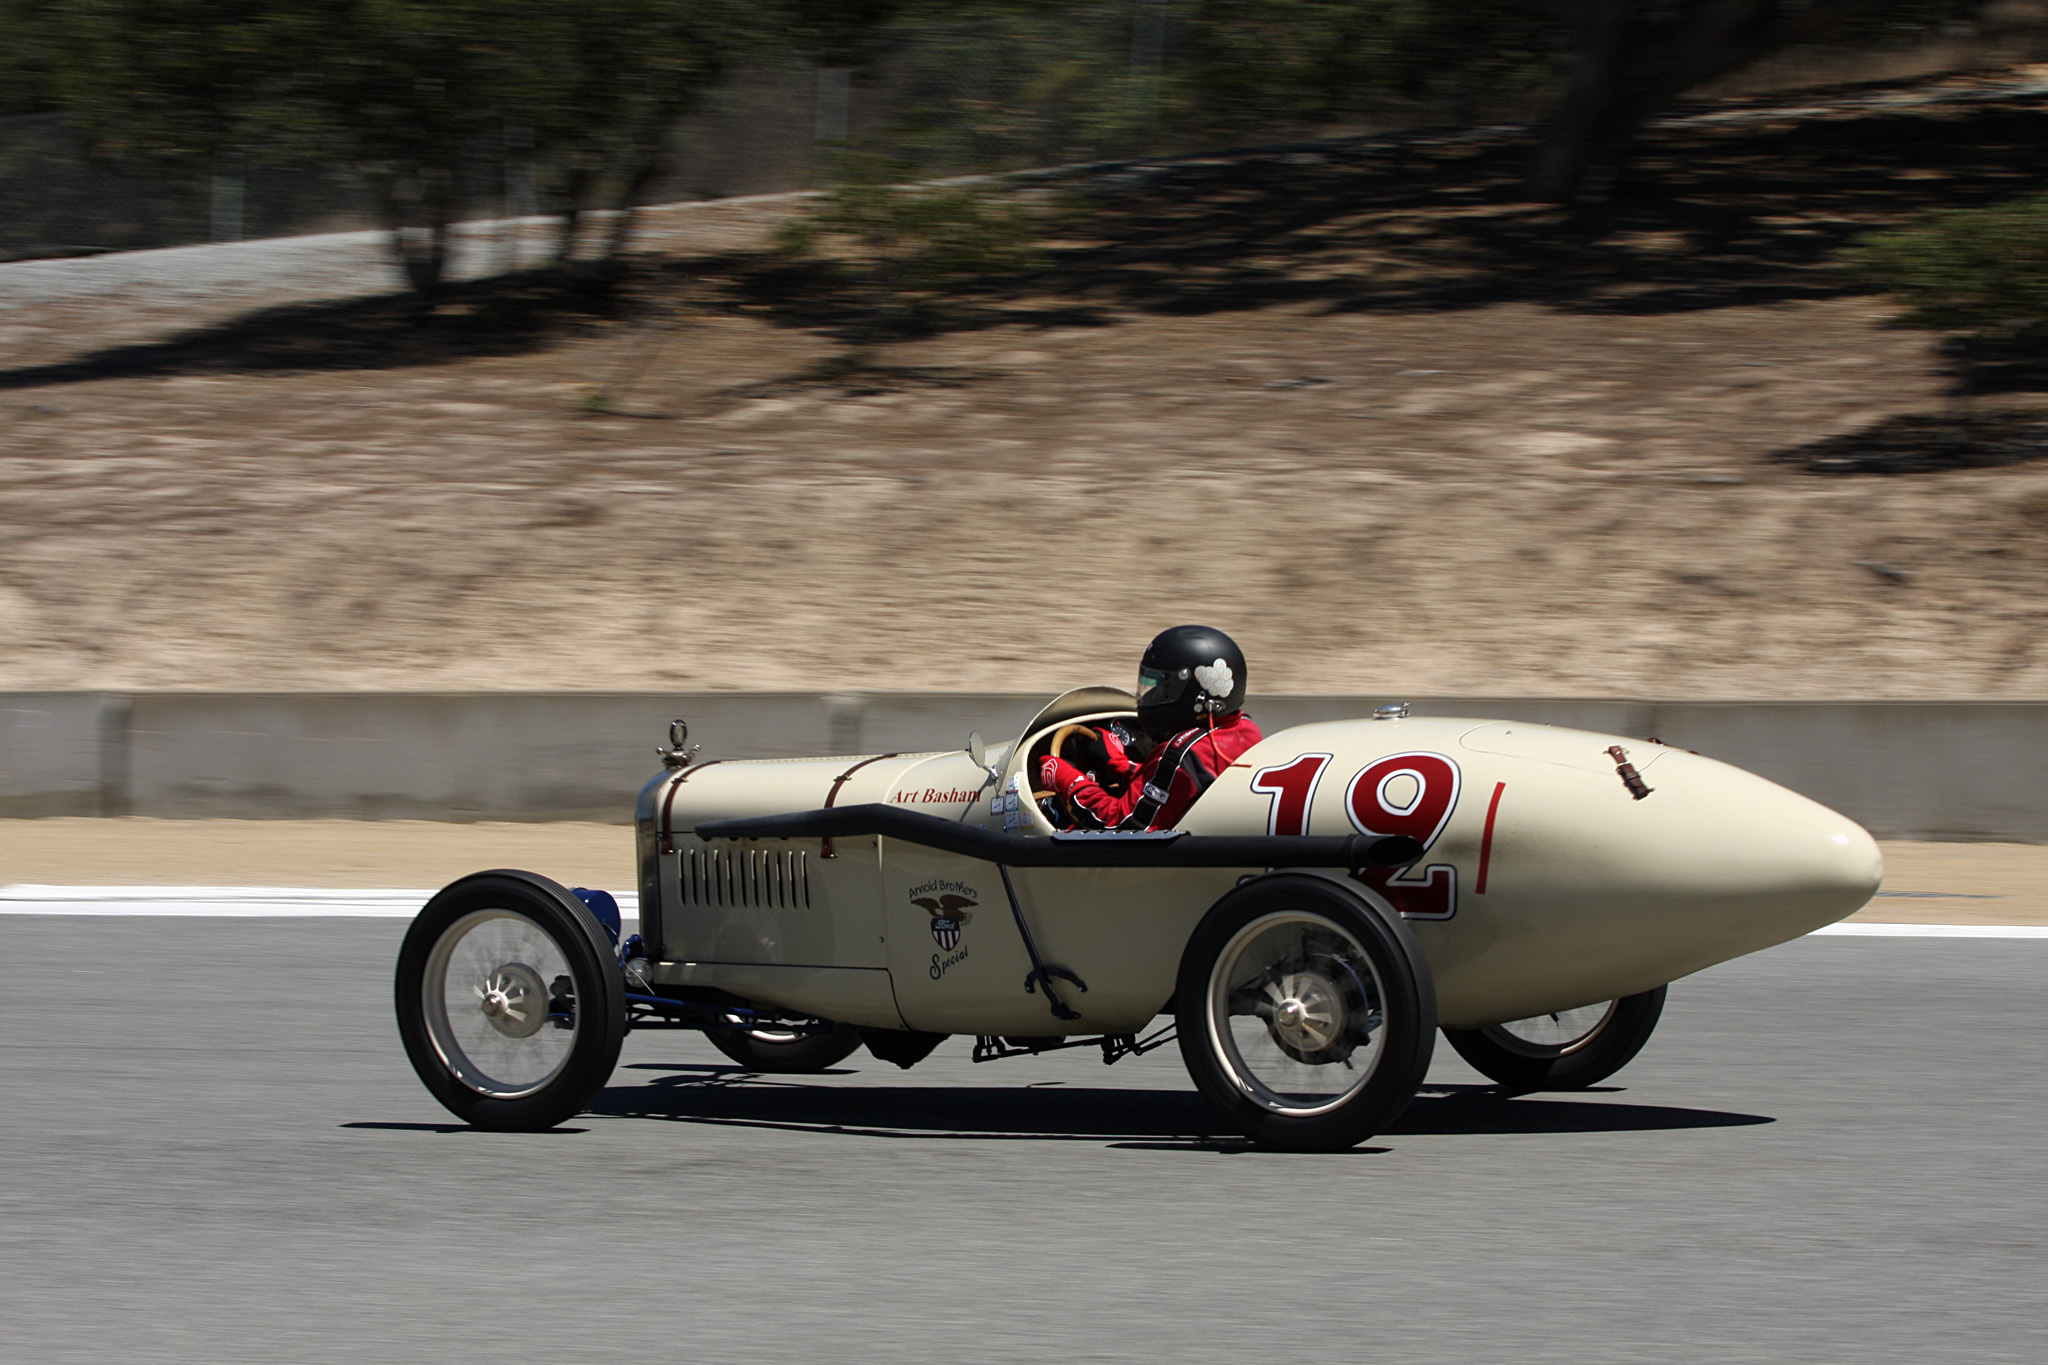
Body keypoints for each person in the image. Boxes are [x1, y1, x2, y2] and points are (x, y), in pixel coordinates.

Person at [1037, 625, 1263, 831]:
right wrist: (1122, 765)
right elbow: (1176, 788)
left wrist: (1071, 782)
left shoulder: (1182, 754)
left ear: (1198, 697)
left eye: (1163, 687)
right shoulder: (1245, 728)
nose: (1152, 695)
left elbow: (1123, 825)